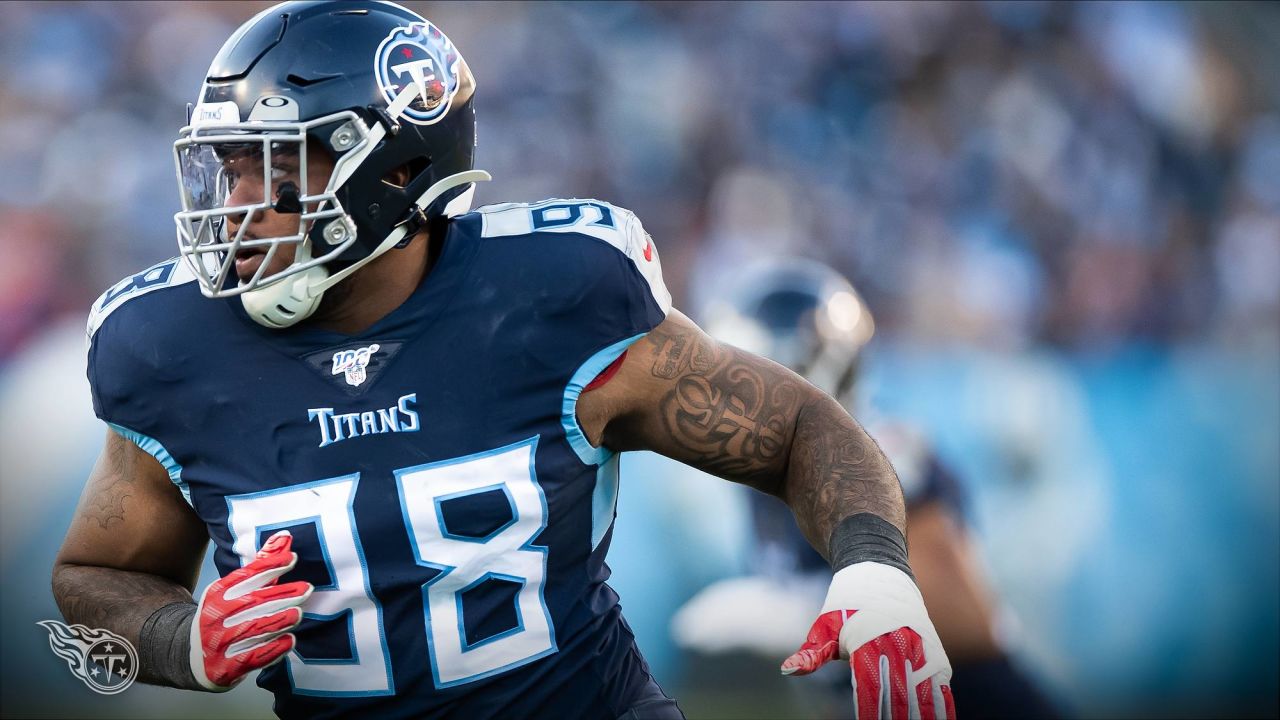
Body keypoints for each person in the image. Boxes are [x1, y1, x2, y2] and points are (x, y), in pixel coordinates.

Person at [50, 3, 953, 718]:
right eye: (225, 168)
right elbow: (94, 576)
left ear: (395, 171)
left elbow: (798, 426)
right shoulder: (169, 349)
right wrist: (178, 641)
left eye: (271, 168)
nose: (235, 207)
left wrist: (873, 568)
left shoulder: (554, 299)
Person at [672, 258, 1059, 718]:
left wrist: (808, 614)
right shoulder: (761, 484)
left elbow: (967, 627)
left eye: (748, 376)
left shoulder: (877, 454)